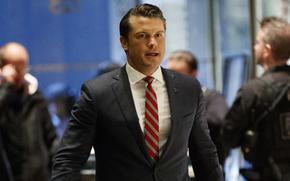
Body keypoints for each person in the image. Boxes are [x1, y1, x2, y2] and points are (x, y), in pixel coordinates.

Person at [51, 3, 223, 181]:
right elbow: (69, 159)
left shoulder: (189, 88)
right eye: (143, 36)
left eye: (159, 35)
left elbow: (204, 154)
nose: (152, 43)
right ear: (124, 42)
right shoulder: (97, 93)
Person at [223, 17, 290, 181]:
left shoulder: (253, 91)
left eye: (257, 42)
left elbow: (228, 136)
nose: (254, 47)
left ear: (267, 50)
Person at [0, 42, 58, 181]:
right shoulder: (3, 98)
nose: (21, 73)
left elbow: (51, 138)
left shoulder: (35, 96)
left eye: (23, 66)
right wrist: (7, 87)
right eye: (15, 67)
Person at [167, 50, 229, 166]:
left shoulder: (211, 97)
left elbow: (219, 121)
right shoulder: (165, 99)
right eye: (169, 73)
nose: (172, 79)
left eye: (178, 74)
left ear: (193, 74)